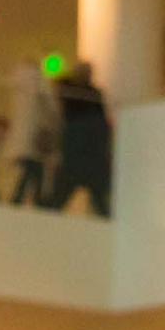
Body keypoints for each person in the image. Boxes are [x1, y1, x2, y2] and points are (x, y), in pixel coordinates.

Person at [46, 62, 112, 217]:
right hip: (79, 150)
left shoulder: (90, 93)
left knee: (95, 196)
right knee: (66, 193)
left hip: (85, 152)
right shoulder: (75, 91)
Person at [9, 59, 58, 207]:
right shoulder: (39, 87)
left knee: (31, 172)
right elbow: (50, 108)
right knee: (34, 172)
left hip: (29, 142)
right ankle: (37, 201)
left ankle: (24, 200)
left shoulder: (21, 90)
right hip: (36, 141)